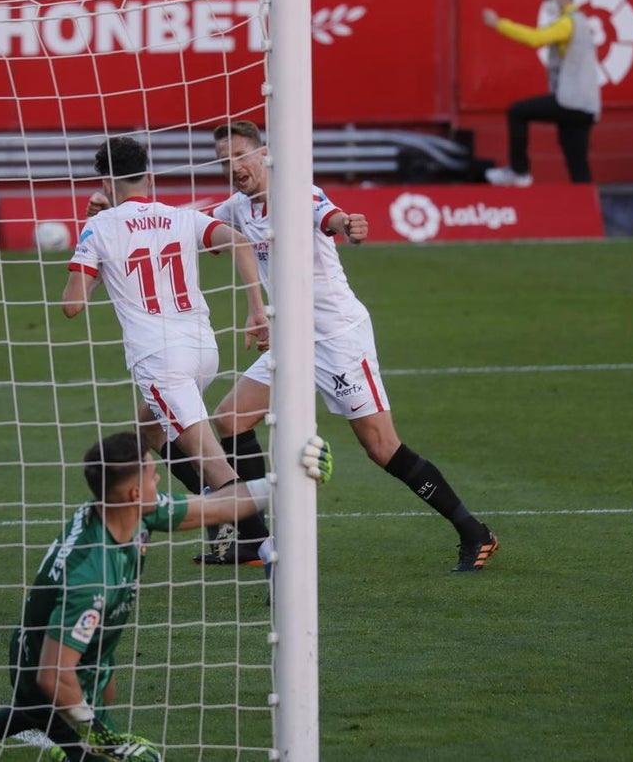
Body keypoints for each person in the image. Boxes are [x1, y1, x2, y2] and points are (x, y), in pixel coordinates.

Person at [0, 431, 332, 762]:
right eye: (153, 475)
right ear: (133, 492)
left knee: (102, 693)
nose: (160, 482)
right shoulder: (93, 575)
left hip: (64, 648)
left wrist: (286, 484)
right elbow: (53, 677)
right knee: (114, 745)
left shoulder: (126, 509)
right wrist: (108, 742)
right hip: (49, 665)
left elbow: (212, 509)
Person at [208, 121, 498, 573]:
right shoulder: (239, 206)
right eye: (225, 161)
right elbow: (191, 220)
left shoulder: (297, 193)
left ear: (263, 154)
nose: (234, 168)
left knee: (382, 447)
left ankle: (474, 531)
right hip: (292, 339)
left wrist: (349, 225)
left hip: (337, 338)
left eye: (240, 156)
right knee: (228, 420)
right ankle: (252, 538)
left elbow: (332, 217)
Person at [62, 136, 271, 563]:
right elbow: (239, 241)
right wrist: (256, 310)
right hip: (202, 350)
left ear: (104, 182)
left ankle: (265, 543)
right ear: (149, 177)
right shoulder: (180, 217)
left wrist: (89, 241)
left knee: (216, 466)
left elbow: (72, 305)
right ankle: (216, 518)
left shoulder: (99, 228)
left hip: (160, 360)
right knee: (147, 432)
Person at [482, 0, 602, 186]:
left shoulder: (568, 23)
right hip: (586, 106)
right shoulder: (580, 20)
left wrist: (498, 23)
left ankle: (519, 171)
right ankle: (587, 210)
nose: (547, 0)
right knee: (578, 165)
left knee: (517, 112)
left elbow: (535, 39)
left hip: (570, 102)